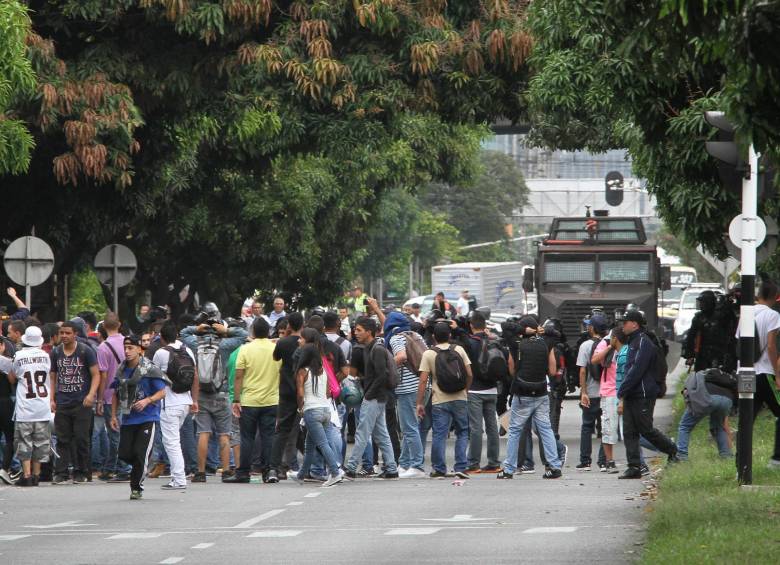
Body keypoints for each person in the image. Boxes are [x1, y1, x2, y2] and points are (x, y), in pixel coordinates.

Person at [180, 302, 248, 483]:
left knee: (203, 433)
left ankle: (200, 472)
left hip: (201, 393)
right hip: (222, 393)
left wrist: (197, 327)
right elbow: (243, 334)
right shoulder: (225, 345)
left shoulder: (195, 344)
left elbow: (183, 333)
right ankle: (226, 470)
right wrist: (225, 330)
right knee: (224, 433)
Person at [497, 316, 563, 479]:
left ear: (524, 330)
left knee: (515, 430)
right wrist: (542, 330)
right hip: (541, 392)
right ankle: (554, 466)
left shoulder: (517, 345)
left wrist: (521, 330)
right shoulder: (545, 344)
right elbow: (556, 334)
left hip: (522, 393)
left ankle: (509, 469)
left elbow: (504, 326)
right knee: (545, 429)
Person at [617, 310, 678, 479]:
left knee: (645, 429)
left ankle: (673, 450)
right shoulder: (633, 341)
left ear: (635, 324)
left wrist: (622, 389)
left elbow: (637, 369)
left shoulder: (643, 342)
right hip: (632, 393)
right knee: (629, 431)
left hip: (642, 394)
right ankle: (634, 466)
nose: (623, 325)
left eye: (626, 322)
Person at [110, 335, 168, 500]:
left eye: (131, 348)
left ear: (139, 349)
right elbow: (115, 393)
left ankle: (136, 487)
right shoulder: (122, 369)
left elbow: (162, 392)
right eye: (125, 348)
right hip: (128, 417)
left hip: (148, 418)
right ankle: (140, 465)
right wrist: (114, 415)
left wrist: (147, 400)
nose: (127, 351)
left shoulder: (149, 368)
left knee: (140, 453)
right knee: (124, 453)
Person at [226, 317, 281, 483]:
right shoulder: (275, 349)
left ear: (253, 332)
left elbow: (238, 376)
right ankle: (268, 471)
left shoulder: (245, 349)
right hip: (271, 399)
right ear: (269, 332)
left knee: (247, 437)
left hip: (249, 400)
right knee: (268, 436)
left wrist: (236, 399)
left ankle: (243, 472)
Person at [344, 317, 398, 479]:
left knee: (362, 433)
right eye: (355, 329)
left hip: (374, 397)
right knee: (381, 434)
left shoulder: (377, 349)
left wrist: (368, 395)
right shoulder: (369, 348)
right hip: (377, 396)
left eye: (359, 330)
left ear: (369, 332)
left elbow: (382, 376)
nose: (355, 332)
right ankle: (391, 468)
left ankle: (352, 467)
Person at [417, 321, 472, 479]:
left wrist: (419, 403)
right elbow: (469, 374)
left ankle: (439, 469)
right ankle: (461, 466)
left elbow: (422, 381)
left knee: (439, 434)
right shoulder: (459, 349)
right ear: (450, 335)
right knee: (462, 432)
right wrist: (465, 390)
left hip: (439, 400)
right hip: (460, 397)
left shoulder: (429, 354)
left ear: (433, 337)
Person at [0, 327, 52, 486]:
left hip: (25, 408)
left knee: (24, 442)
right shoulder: (45, 356)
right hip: (42, 406)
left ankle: (27, 475)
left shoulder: (19, 355)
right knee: (40, 443)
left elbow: (12, 377)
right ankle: (36, 475)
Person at [50, 321, 100, 484]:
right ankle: (61, 472)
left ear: (75, 334)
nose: (64, 336)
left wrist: (91, 394)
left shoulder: (86, 351)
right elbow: (53, 376)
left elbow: (96, 374)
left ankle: (82, 471)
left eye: (67, 333)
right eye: (61, 333)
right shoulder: (56, 352)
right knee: (62, 438)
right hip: (63, 401)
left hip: (82, 402)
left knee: (81, 438)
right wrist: (52, 398)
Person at [737, 279, 780, 469]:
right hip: (764, 373)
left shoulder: (745, 313)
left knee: (747, 417)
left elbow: (739, 342)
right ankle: (777, 459)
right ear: (775, 297)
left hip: (745, 373)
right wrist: (777, 374)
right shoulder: (772, 315)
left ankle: (741, 461)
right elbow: (771, 346)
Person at [293, 333, 345, 488]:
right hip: (325, 410)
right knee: (310, 445)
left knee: (322, 443)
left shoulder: (302, 371)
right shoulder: (323, 370)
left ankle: (335, 472)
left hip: (311, 410)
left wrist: (300, 407)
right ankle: (301, 474)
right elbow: (329, 392)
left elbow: (300, 393)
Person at [153, 321, 199, 490]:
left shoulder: (160, 353)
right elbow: (195, 377)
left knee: (171, 442)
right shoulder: (188, 351)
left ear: (162, 338)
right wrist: (195, 400)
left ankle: (179, 479)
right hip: (185, 402)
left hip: (169, 403)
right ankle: (177, 477)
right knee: (175, 440)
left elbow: (153, 375)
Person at [385, 311, 425, 479]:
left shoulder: (396, 338)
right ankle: (405, 463)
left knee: (409, 428)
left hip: (407, 388)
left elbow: (401, 356)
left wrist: (387, 366)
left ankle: (417, 466)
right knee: (412, 426)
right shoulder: (415, 336)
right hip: (422, 385)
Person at [465, 311, 505, 473]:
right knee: (492, 427)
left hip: (474, 389)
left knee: (475, 428)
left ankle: (473, 463)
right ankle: (494, 462)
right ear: (485, 325)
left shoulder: (469, 343)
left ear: (471, 325)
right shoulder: (494, 341)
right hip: (492, 389)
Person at [95, 313, 131, 481]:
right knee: (121, 432)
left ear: (103, 327)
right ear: (120, 324)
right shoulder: (129, 344)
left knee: (114, 433)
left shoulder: (103, 348)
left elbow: (102, 376)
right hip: (129, 394)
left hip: (111, 396)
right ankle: (110, 467)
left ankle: (124, 468)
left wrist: (100, 399)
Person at [270, 312, 304, 479]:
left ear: (289, 325)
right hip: (304, 391)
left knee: (282, 430)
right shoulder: (305, 343)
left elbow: (275, 357)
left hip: (286, 391)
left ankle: (274, 468)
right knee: (310, 429)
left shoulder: (283, 343)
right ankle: (320, 465)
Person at [677, 367, 736, 460]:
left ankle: (681, 456)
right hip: (727, 400)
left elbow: (687, 391)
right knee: (719, 427)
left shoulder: (697, 376)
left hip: (708, 397)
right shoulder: (723, 378)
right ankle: (726, 455)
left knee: (685, 426)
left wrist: (690, 408)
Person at [576, 313, 608, 471]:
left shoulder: (585, 346)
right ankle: (603, 462)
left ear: (592, 328)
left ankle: (585, 461)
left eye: (589, 324)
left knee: (587, 426)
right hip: (606, 392)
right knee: (605, 428)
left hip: (591, 393)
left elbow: (582, 371)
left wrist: (583, 392)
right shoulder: (610, 344)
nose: (587, 326)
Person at [591, 326, 621, 473]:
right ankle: (609, 461)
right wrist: (610, 346)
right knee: (608, 428)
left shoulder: (630, 343)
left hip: (626, 390)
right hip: (609, 391)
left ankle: (637, 461)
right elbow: (595, 360)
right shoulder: (606, 342)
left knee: (631, 428)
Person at [683, 290, 736, 372]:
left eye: (702, 302)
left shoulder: (720, 316)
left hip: (719, 353)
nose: (700, 305)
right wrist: (689, 354)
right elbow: (691, 336)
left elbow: (730, 320)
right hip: (702, 354)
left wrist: (727, 303)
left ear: (708, 302)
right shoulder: (698, 317)